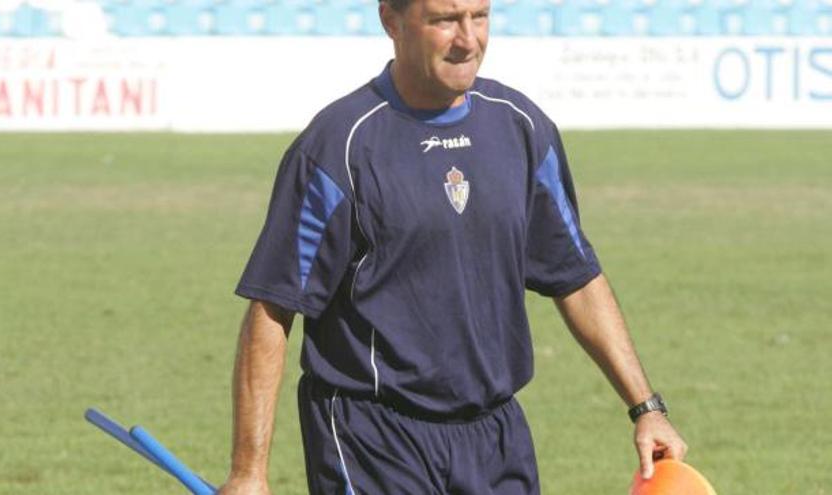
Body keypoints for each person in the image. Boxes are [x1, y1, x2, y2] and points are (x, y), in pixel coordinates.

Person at [219, 0, 687, 493]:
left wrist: (646, 408)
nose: (468, 39)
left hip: (496, 435)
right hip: (374, 438)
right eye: (445, 20)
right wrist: (249, 473)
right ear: (392, 21)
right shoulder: (338, 145)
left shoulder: (522, 127)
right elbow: (273, 307)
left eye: (479, 16)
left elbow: (576, 277)